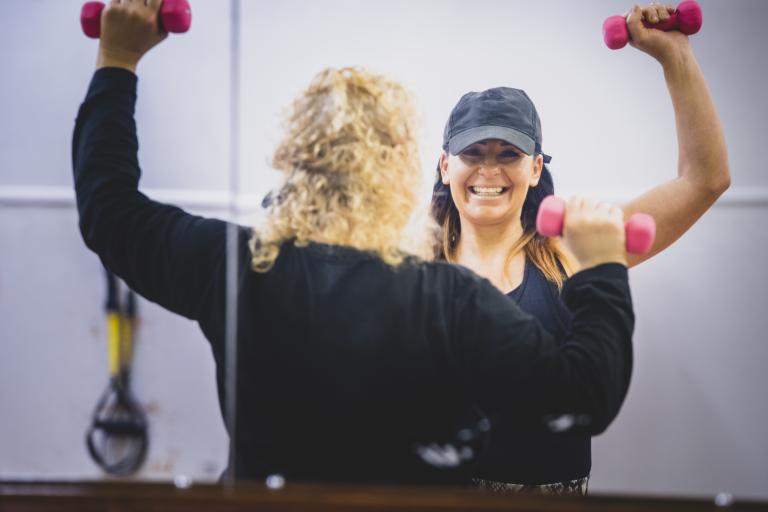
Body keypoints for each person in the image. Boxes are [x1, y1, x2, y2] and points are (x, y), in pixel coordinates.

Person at [73, 0, 635, 484]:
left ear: (292, 158)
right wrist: (602, 268)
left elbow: (109, 212)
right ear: (398, 173)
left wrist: (117, 60)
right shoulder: (448, 298)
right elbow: (582, 399)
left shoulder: (232, 266)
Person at [431, 3, 731, 495]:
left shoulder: (571, 253)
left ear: (535, 169)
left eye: (508, 154)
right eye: (472, 153)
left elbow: (704, 180)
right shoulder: (414, 267)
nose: (489, 170)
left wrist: (675, 58)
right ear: (446, 166)